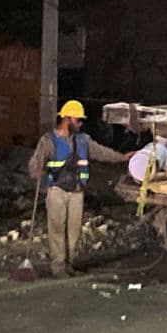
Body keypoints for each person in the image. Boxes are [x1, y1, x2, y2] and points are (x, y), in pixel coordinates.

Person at [28, 100, 132, 278]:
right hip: (57, 191)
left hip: (77, 191)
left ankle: (70, 263)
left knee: (74, 231)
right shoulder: (48, 141)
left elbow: (102, 152)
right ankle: (58, 266)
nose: (81, 123)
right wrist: (38, 171)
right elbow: (35, 165)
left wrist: (123, 157)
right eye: (78, 120)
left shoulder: (84, 140)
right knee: (57, 230)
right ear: (67, 119)